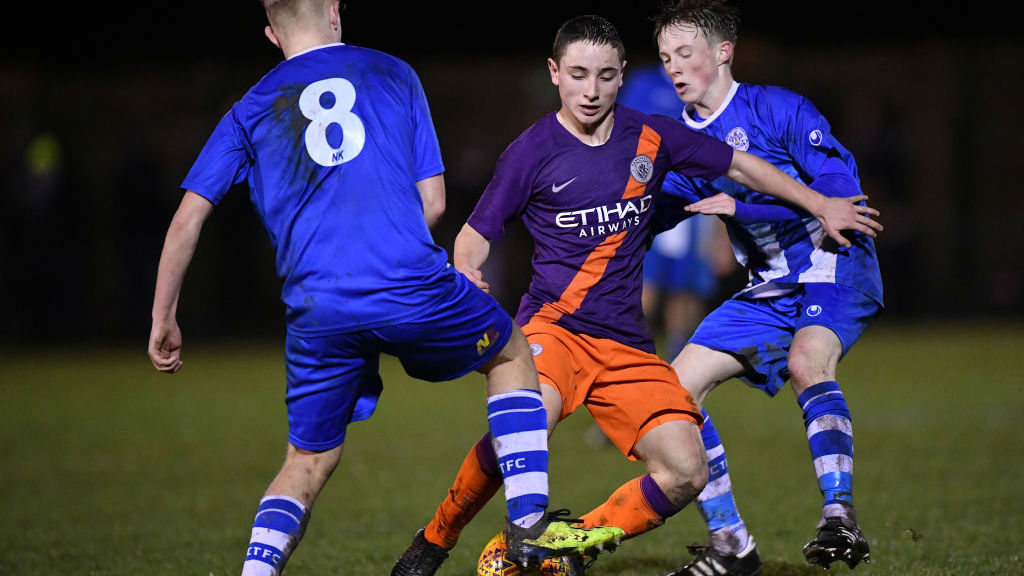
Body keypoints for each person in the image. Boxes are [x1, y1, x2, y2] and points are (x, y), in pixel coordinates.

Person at [390, 14, 880, 576]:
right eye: (577, 74)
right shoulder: (531, 151)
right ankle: (438, 538)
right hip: (555, 329)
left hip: (627, 346)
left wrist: (819, 205)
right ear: (555, 74)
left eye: (604, 75)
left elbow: (743, 165)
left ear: (623, 75)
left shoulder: (654, 137)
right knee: (523, 427)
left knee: (686, 470)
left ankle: (566, 547)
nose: (590, 90)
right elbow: (473, 238)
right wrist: (469, 277)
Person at [146, 2, 625, 574]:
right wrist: (386, 250)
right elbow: (434, 202)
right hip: (408, 283)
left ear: (272, 34)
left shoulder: (250, 108)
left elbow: (186, 220)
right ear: (334, 12)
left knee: (307, 459)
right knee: (512, 352)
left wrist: (163, 317)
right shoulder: (392, 73)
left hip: (317, 305)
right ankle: (527, 529)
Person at [650, 1, 885, 573]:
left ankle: (839, 516)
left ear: (723, 52)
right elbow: (649, 213)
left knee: (809, 361)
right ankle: (732, 547)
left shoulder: (778, 109)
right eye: (664, 57)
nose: (674, 68)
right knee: (672, 394)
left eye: (686, 53)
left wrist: (745, 208)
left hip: (832, 265)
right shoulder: (682, 142)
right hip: (768, 287)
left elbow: (838, 194)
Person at [617, 61, 735, 360]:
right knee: (643, 286)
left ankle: (678, 364)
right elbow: (620, 140)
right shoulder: (643, 84)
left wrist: (723, 230)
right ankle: (626, 358)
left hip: (697, 204)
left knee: (688, 289)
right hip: (647, 199)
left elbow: (725, 156)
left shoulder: (711, 85)